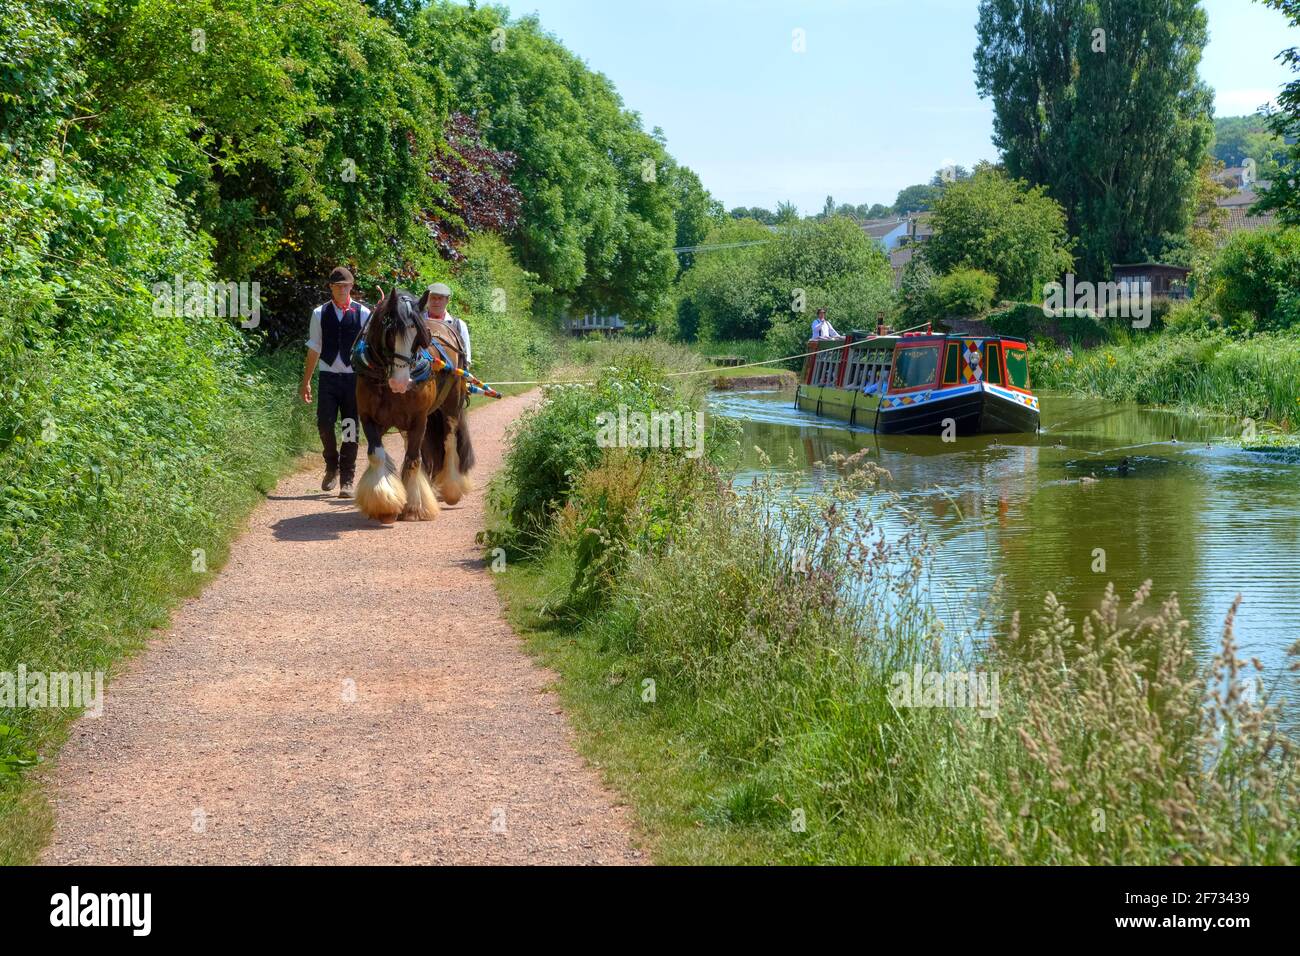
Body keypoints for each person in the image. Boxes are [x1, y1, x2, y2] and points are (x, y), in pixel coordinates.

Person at [301, 266, 371, 498]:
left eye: (346, 285)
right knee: (324, 423)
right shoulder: (319, 313)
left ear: (352, 287)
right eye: (338, 285)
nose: (342, 289)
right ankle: (332, 465)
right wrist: (307, 381)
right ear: (331, 287)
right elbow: (314, 348)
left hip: (353, 379)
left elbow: (369, 350)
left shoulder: (363, 313)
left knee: (350, 427)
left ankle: (347, 479)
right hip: (329, 376)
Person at [421, 282, 471, 368]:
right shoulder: (417, 323)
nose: (436, 302)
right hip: (420, 377)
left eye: (440, 298)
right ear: (427, 299)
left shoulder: (458, 325)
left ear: (447, 300)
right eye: (433, 298)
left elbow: (466, 359)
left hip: (450, 377)